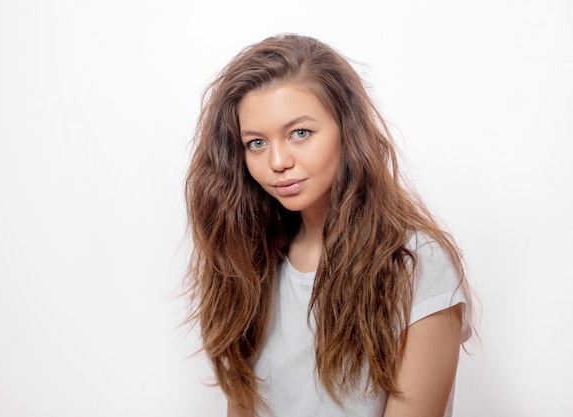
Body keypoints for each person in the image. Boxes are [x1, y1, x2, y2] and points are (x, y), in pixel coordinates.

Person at [185, 34, 475, 417]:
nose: (277, 161)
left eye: (299, 133)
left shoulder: (416, 264)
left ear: (347, 129)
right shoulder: (252, 258)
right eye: (256, 143)